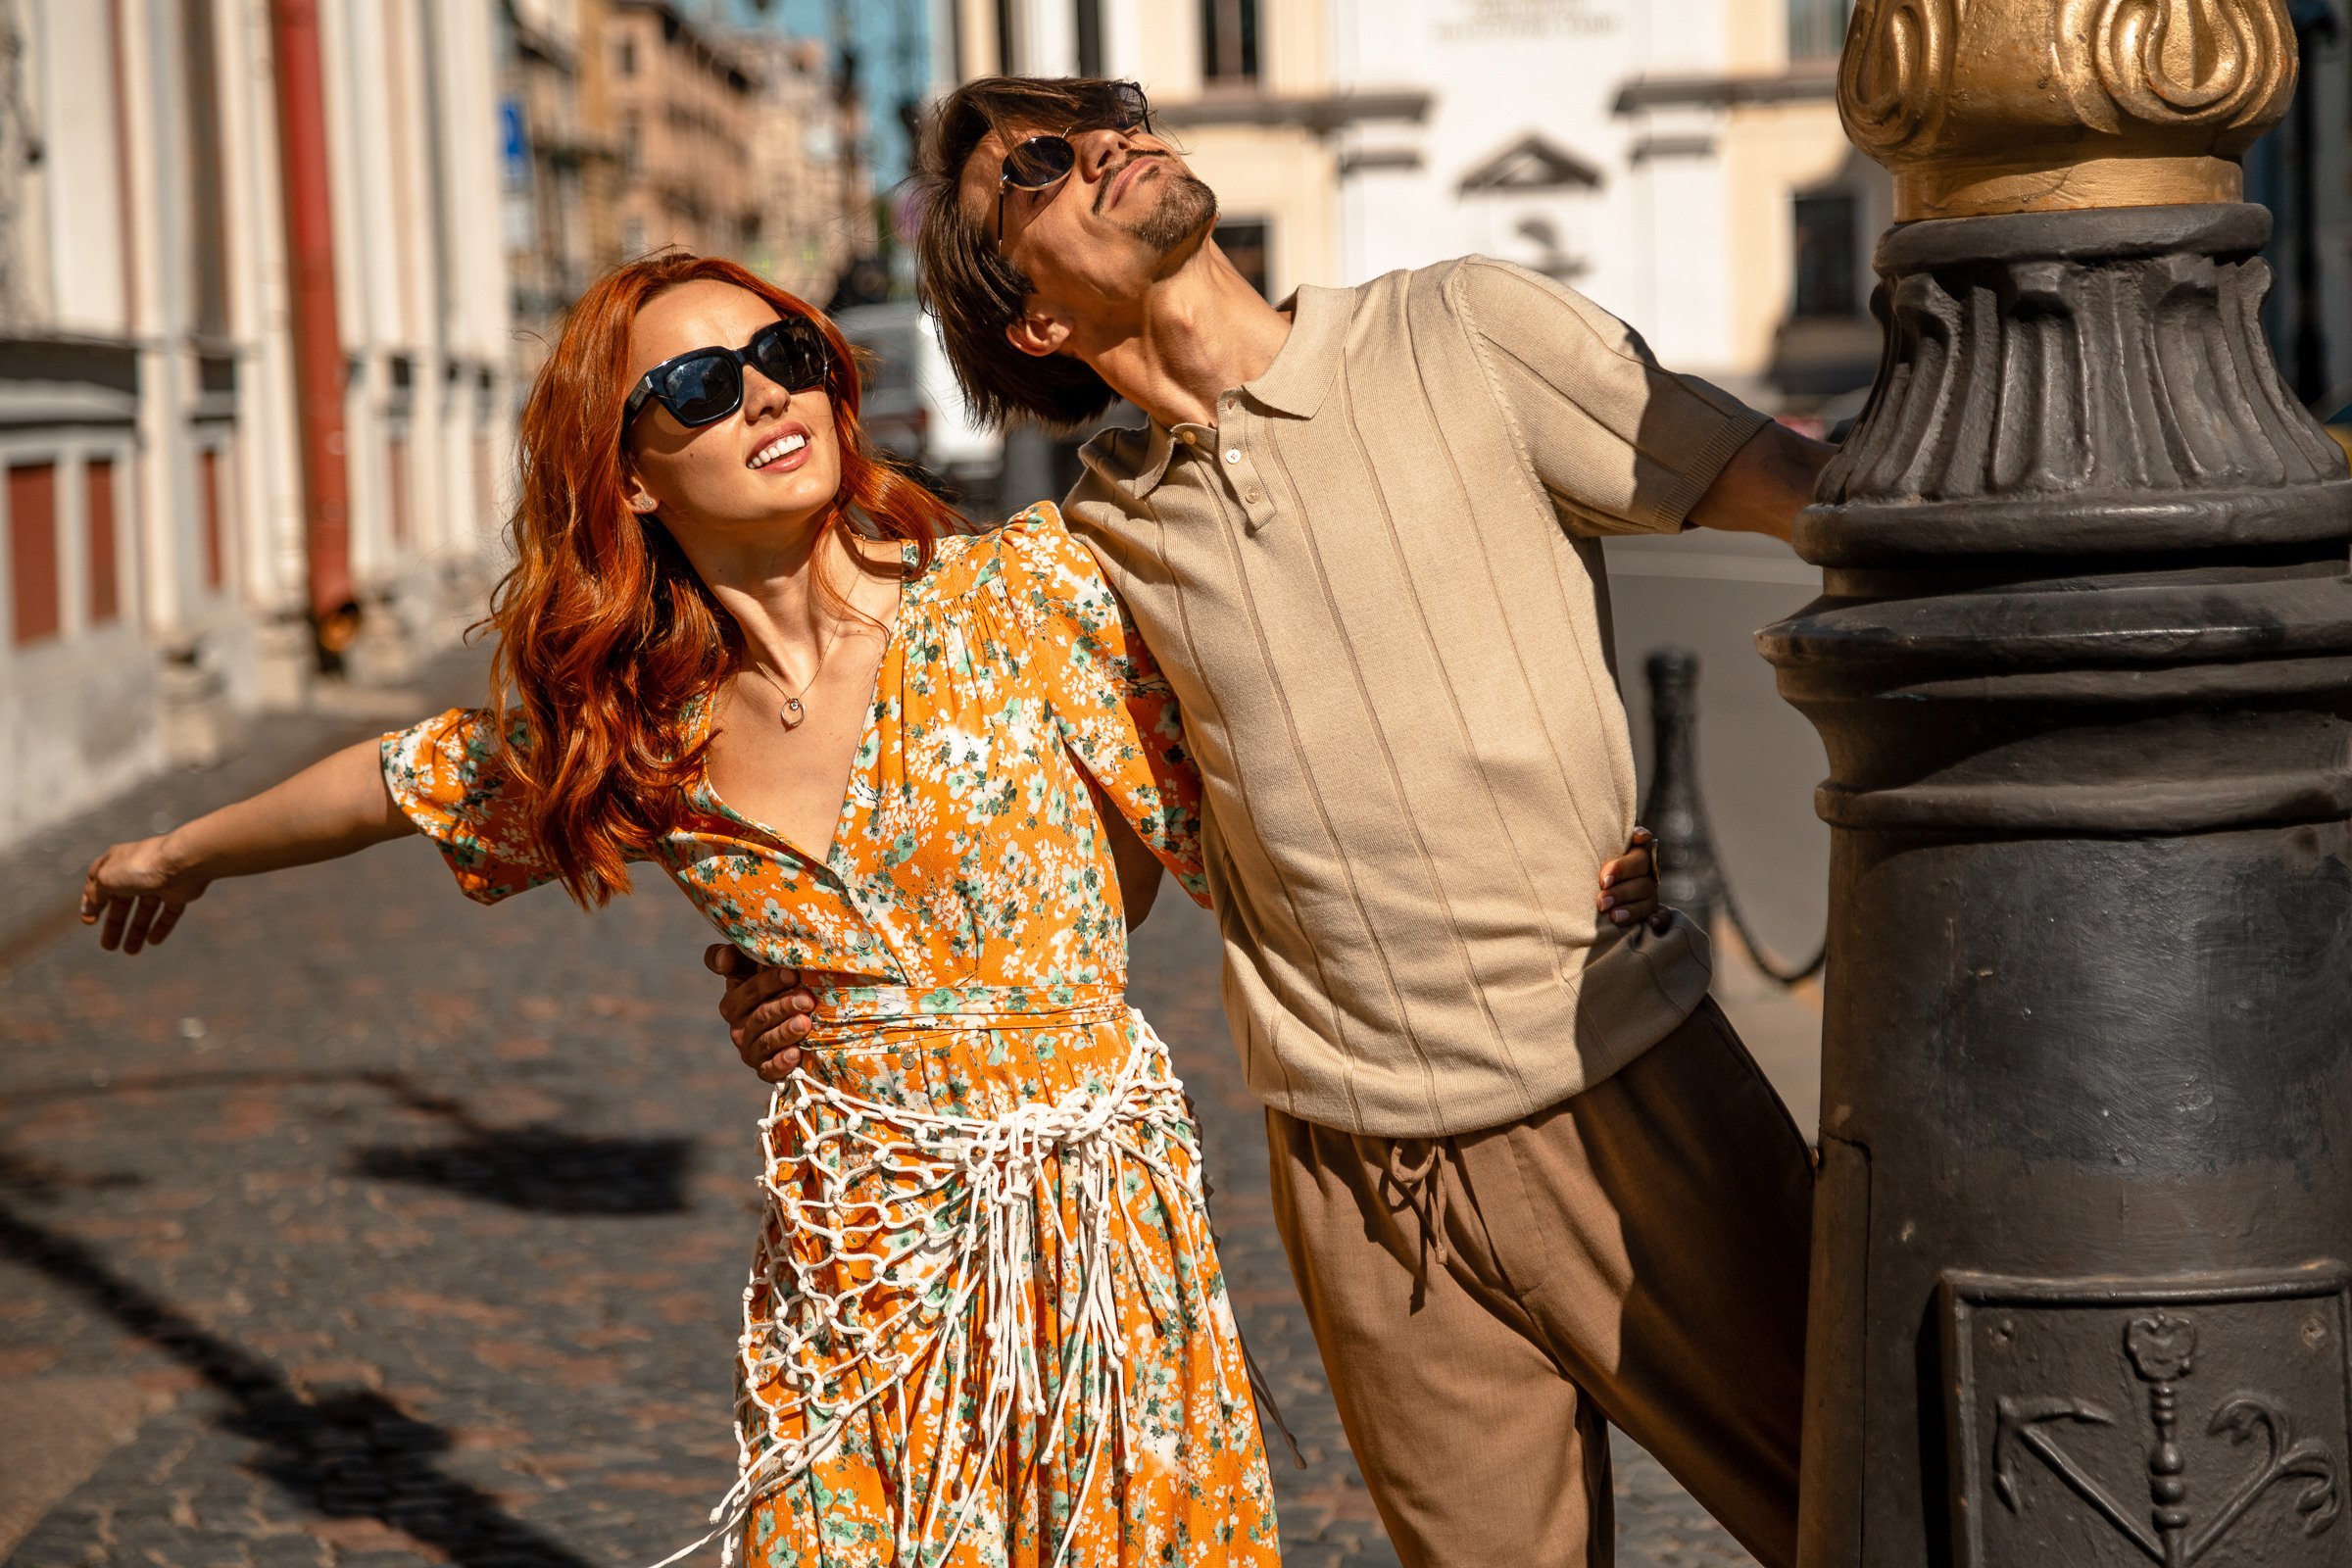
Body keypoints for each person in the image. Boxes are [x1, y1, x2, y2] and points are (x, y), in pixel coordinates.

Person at [718, 77, 1834, 1568]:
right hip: (1362, 1190)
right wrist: (806, 979)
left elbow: (1827, 505)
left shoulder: (1467, 332)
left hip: (1616, 1083)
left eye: (1105, 115)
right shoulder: (1095, 547)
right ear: (1035, 322)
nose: (1111, 141)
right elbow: (991, 825)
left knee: (1870, 1514)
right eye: (1043, 163)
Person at [79, 254, 1311, 1568]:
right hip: (855, 1265)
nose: (765, 398)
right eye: (699, 387)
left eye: (787, 358)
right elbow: (402, 781)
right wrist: (179, 851)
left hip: (1087, 1229)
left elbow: (1214, 796)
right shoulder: (640, 734)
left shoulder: (1024, 594)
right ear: (628, 476)